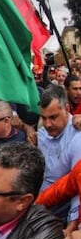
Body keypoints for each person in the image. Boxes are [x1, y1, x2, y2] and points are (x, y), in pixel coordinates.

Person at [38, 84, 81, 230]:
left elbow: (77, 186)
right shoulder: (42, 134)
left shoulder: (77, 137)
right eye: (43, 118)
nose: (48, 124)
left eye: (53, 117)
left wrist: (71, 226)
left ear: (67, 109)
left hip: (62, 212)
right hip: (40, 205)